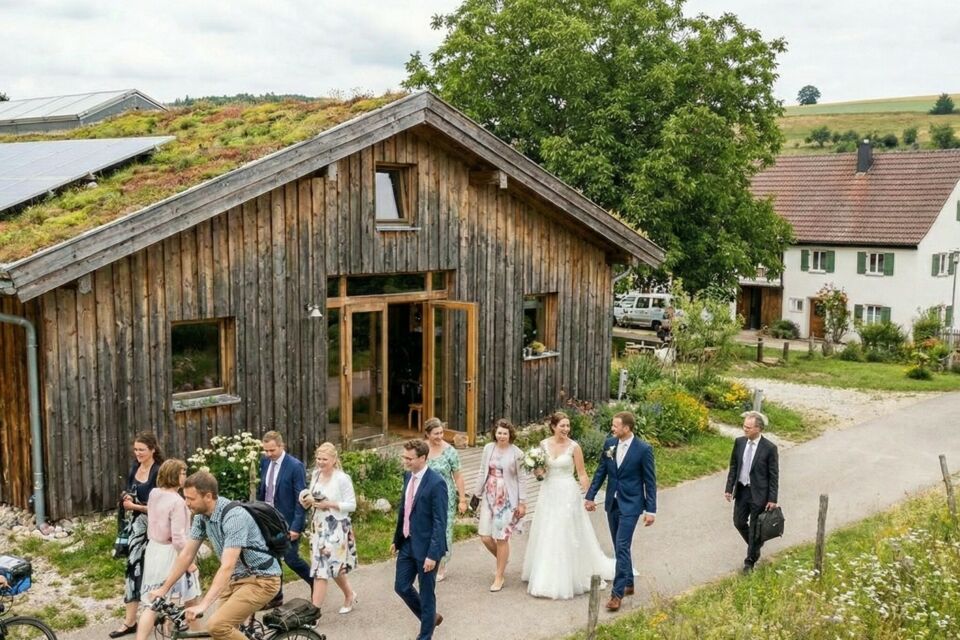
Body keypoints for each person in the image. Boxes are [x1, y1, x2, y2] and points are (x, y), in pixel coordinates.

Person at [147, 471, 282, 640]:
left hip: (262, 580)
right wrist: (163, 589)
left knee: (217, 626)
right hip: (236, 580)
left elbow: (227, 566)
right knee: (218, 634)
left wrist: (203, 605)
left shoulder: (234, 517)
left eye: (191, 498)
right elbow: (186, 554)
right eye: (185, 498)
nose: (186, 503)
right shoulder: (201, 517)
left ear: (208, 496)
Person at [522, 411, 615, 599]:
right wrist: (537, 471)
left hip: (567, 493)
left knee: (565, 530)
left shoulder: (574, 447)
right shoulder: (543, 445)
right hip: (548, 492)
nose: (566, 429)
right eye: (562, 425)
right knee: (548, 530)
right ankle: (545, 573)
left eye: (568, 425)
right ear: (553, 427)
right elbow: (542, 472)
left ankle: (567, 576)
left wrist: (589, 496)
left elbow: (581, 473)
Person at [585, 411, 657, 612]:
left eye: (615, 425)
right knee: (619, 547)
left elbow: (650, 482)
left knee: (622, 545)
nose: (612, 428)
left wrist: (651, 510)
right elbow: (601, 471)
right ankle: (629, 582)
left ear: (626, 428)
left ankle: (617, 594)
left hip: (632, 504)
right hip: (612, 503)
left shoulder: (643, 449)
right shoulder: (609, 444)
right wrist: (590, 496)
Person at [135, 459, 200, 640]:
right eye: (183, 473)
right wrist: (189, 562)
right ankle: (189, 634)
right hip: (172, 553)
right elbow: (178, 537)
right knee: (180, 599)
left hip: (154, 549)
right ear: (175, 475)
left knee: (156, 602)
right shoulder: (177, 502)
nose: (185, 476)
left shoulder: (155, 493)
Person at [392, 439, 448, 640]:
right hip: (407, 543)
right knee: (401, 586)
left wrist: (433, 554)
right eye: (404, 457)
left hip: (427, 548)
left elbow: (440, 522)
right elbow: (405, 510)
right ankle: (430, 618)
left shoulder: (436, 483)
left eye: (409, 458)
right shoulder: (408, 476)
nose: (405, 461)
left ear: (423, 458)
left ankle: (425, 636)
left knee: (426, 593)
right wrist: (396, 539)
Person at [111, 432, 163, 638]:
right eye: (135, 449)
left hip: (154, 529)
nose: (138, 453)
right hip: (135, 529)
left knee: (155, 573)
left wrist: (135, 506)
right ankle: (130, 621)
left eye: (142, 449)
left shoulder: (158, 472)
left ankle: (160, 615)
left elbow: (161, 506)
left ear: (152, 450)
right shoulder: (135, 467)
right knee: (132, 571)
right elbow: (128, 489)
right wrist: (126, 496)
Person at [299, 443, 359, 614]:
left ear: (334, 459)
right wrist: (306, 501)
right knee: (332, 567)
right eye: (318, 458)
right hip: (318, 526)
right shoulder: (316, 475)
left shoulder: (342, 478)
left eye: (324, 459)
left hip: (336, 528)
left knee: (321, 571)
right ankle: (349, 594)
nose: (320, 462)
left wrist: (329, 504)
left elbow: (352, 505)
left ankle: (313, 614)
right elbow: (313, 498)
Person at [474, 419, 527, 592]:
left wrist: (522, 502)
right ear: (495, 433)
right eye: (499, 432)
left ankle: (499, 576)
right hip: (489, 495)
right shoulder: (488, 448)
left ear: (510, 434)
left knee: (502, 537)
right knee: (485, 535)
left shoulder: (517, 453)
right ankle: (502, 560)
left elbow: (521, 478)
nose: (502, 436)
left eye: (505, 433)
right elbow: (483, 471)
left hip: (507, 499)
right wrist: (476, 493)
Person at [724, 411, 779, 573]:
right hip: (742, 490)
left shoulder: (769, 448)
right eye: (744, 426)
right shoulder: (739, 442)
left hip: (759, 494)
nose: (745, 430)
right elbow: (734, 466)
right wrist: (729, 488)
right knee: (739, 522)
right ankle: (755, 545)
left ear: (758, 428)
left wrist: (772, 498)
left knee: (755, 527)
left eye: (748, 427)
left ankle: (749, 562)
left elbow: (774, 475)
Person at [256, 431, 311, 591]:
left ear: (281, 446)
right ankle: (276, 594)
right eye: (266, 450)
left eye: (272, 450)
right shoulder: (265, 462)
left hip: (287, 521)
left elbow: (300, 499)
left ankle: (315, 583)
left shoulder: (295, 466)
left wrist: (296, 526)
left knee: (291, 559)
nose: (268, 454)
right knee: (272, 558)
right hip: (267, 519)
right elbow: (263, 490)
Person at [423, 417, 467, 582]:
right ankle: (427, 559)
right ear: (427, 434)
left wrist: (462, 499)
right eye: (436, 433)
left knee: (443, 530)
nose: (440, 436)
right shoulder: (422, 449)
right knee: (427, 528)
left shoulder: (450, 451)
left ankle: (441, 564)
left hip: (445, 497)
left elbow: (458, 476)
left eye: (441, 432)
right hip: (425, 496)